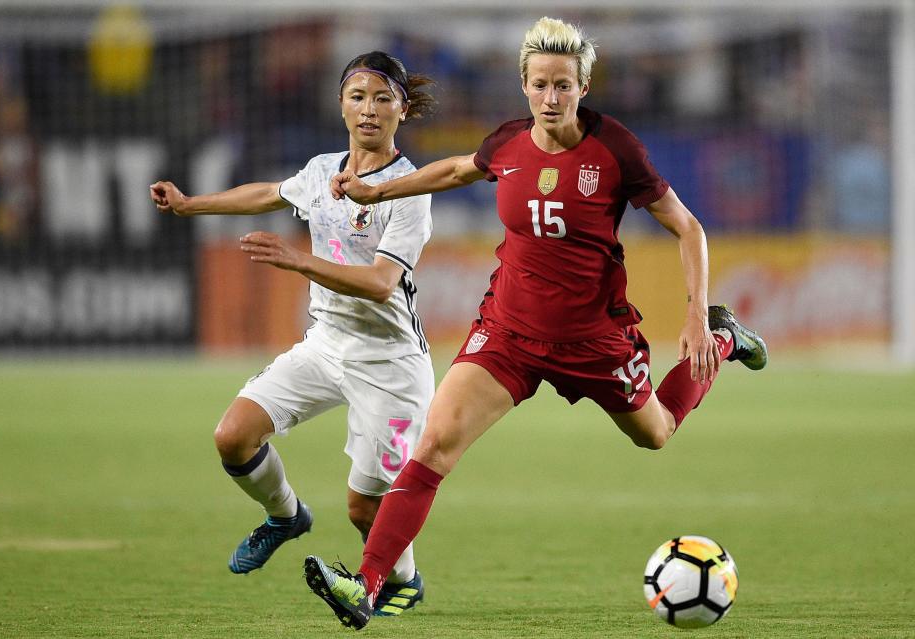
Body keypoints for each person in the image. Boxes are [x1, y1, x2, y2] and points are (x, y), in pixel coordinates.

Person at [303, 18, 768, 630]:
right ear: (524, 85)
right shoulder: (508, 144)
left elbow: (688, 227)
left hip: (594, 339)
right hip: (508, 333)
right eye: (541, 85)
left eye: (564, 86)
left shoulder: (615, 150)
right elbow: (454, 171)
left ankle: (726, 335)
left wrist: (695, 313)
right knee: (435, 445)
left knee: (654, 432)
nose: (552, 98)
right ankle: (364, 585)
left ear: (583, 86)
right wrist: (375, 193)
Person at [149, 51, 437, 617]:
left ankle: (404, 580)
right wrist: (190, 206)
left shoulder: (410, 188)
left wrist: (297, 260)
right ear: (341, 105)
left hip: (390, 364)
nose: (369, 110)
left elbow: (381, 284)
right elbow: (271, 193)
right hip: (326, 345)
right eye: (358, 97)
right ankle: (285, 515)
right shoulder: (322, 169)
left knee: (363, 509)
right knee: (233, 436)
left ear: (402, 109)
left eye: (382, 99)